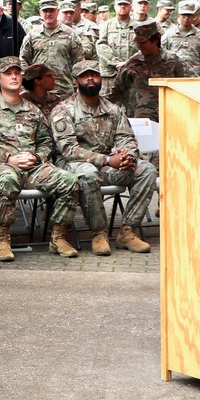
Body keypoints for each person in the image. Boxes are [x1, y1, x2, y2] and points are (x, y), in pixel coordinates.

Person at [0, 56, 80, 262]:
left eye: (17, 73)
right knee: (8, 178)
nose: (14, 77)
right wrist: (9, 158)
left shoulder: (33, 110)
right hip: (2, 168)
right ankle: (3, 240)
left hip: (33, 168)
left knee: (69, 181)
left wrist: (36, 157)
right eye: (8, 73)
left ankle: (58, 237)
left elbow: (46, 142)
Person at [51, 60, 155, 255]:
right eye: (84, 76)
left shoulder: (112, 109)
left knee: (146, 170)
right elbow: (69, 149)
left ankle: (127, 232)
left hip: (108, 165)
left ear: (101, 79)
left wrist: (128, 156)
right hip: (75, 165)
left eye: (94, 75)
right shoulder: (64, 110)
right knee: (89, 173)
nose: (90, 79)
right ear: (76, 81)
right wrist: (107, 160)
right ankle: (99, 234)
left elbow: (126, 137)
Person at [110, 21, 190, 122]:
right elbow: (117, 91)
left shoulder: (174, 60)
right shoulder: (133, 63)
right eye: (138, 43)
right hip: (144, 114)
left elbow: (185, 87)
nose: (140, 46)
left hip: (171, 111)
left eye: (143, 42)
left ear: (155, 40)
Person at [19, 0, 83, 102]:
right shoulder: (32, 35)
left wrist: (79, 85)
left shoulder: (70, 34)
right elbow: (23, 60)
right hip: (38, 91)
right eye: (45, 11)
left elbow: (79, 62)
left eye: (51, 10)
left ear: (57, 11)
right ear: (40, 13)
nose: (48, 14)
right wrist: (26, 84)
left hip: (64, 90)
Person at [97, 0, 137, 94]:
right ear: (115, 6)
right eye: (120, 4)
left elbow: (144, 49)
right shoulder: (105, 26)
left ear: (131, 6)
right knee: (108, 102)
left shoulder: (138, 27)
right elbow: (101, 46)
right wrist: (116, 62)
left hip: (132, 75)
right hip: (110, 75)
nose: (122, 6)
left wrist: (128, 64)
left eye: (125, 4)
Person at [161, 1, 200, 77]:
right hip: (173, 78)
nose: (186, 18)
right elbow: (162, 57)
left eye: (189, 15)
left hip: (194, 78)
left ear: (194, 17)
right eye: (184, 15)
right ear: (178, 16)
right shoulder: (168, 35)